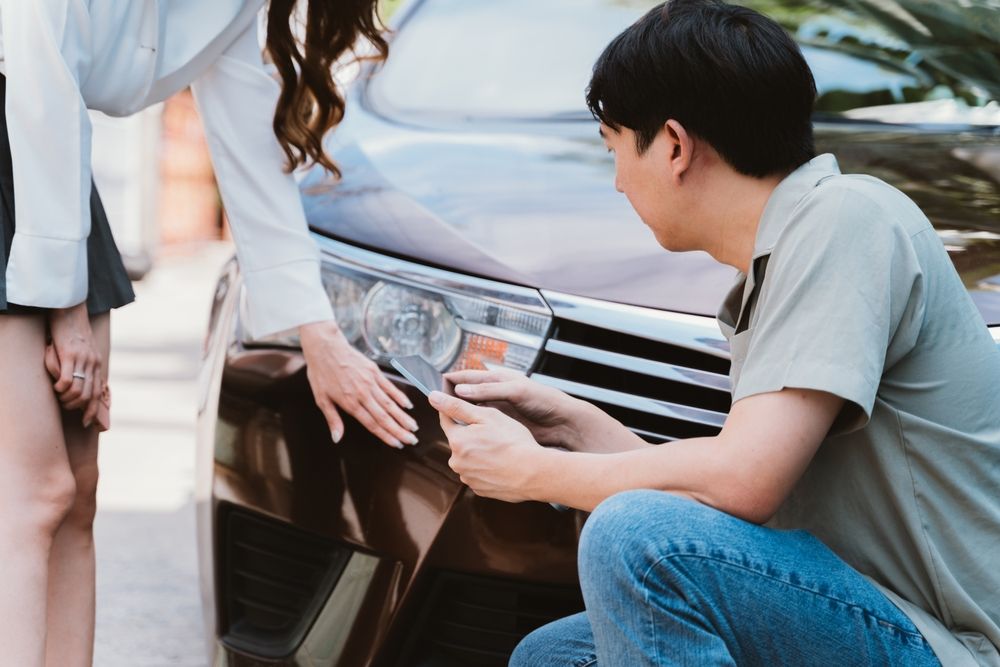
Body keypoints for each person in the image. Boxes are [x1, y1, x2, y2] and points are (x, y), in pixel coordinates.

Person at [428, 1, 1000, 665]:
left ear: (673, 145)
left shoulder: (848, 219)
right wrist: (576, 425)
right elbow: (736, 500)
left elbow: (741, 483)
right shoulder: (785, 256)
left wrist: (534, 470)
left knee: (635, 534)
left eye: (615, 148)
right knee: (553, 655)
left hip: (951, 645)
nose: (616, 181)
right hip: (864, 612)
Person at [0, 1, 420, 664]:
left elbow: (248, 148)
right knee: (32, 493)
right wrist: (67, 307)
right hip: (21, 144)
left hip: (57, 175)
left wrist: (321, 338)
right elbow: (32, 48)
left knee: (78, 494)